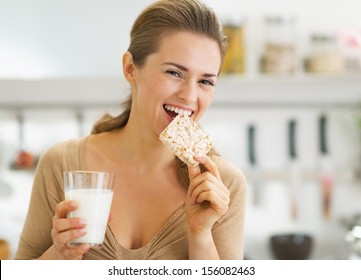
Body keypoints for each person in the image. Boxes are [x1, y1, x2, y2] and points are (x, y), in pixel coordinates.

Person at [15, 0, 247, 260]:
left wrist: (200, 234)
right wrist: (59, 254)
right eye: (174, 73)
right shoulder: (61, 163)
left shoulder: (225, 185)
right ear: (130, 68)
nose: (189, 96)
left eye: (205, 81)